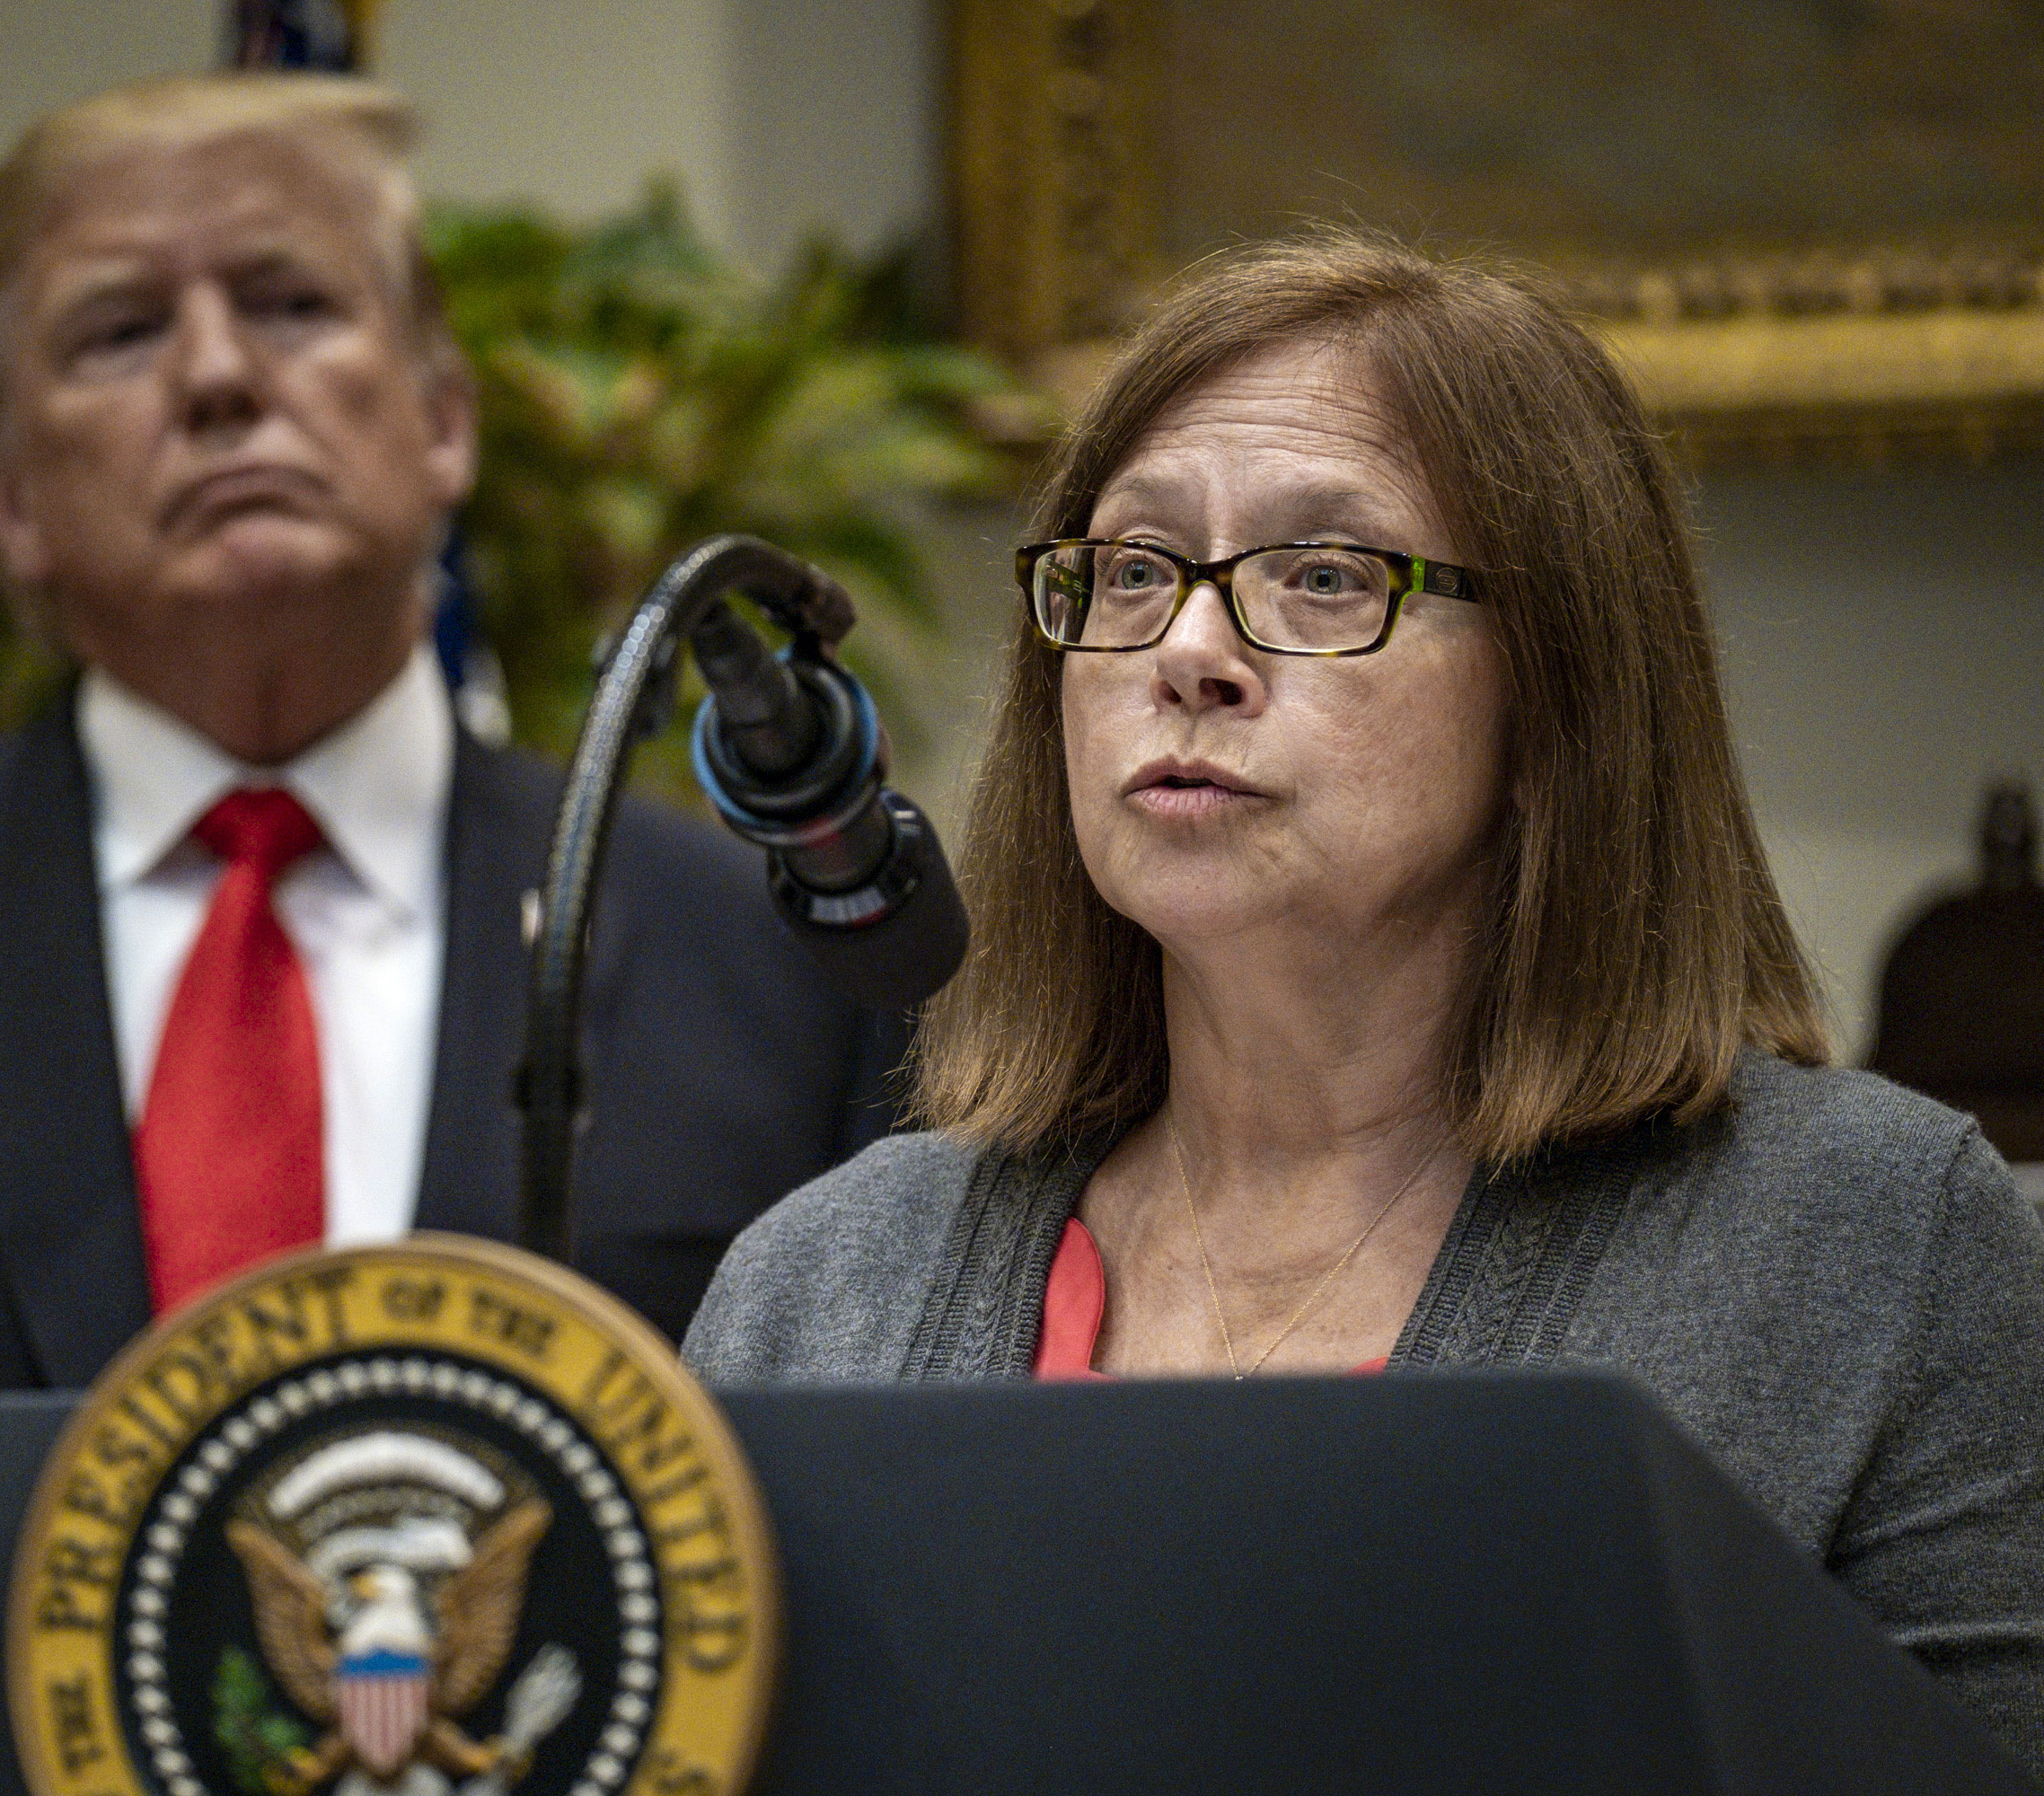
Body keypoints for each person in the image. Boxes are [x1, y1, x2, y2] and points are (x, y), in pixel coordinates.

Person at [683, 231, 2044, 1756]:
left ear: (1558, 699)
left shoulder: (1874, 1240)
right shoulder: (824, 1285)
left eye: (1325, 577)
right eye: (1133, 571)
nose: (1188, 650)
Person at [0, 74, 900, 1397]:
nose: (217, 378)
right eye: (120, 331)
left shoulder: (773, 972)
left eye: (290, 304)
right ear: (5, 494)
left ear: (444, 421)